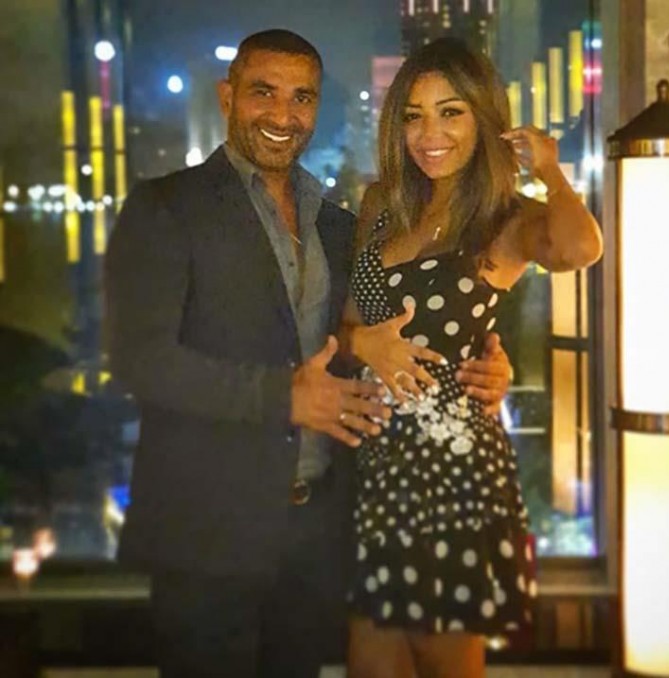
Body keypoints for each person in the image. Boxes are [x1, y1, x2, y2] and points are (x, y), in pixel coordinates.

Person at [104, 29, 512, 678]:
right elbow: (141, 361)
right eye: (263, 92)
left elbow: (374, 333)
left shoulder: (340, 225)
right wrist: (284, 397)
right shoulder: (166, 208)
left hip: (317, 533)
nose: (283, 113)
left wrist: (484, 365)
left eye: (302, 97)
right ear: (228, 97)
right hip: (207, 534)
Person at [340, 38, 603, 678]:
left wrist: (550, 170)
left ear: (484, 119)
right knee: (374, 662)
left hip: (448, 467)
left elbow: (580, 248)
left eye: (451, 112)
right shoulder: (381, 204)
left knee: (442, 657)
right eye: (414, 115)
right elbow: (349, 322)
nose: (429, 134)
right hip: (372, 458)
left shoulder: (504, 219)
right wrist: (359, 344)